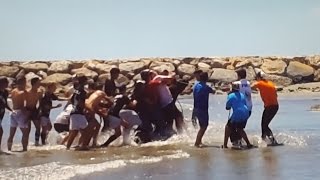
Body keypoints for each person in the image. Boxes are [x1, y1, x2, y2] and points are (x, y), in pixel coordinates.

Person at [252, 71, 279, 145]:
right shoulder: (270, 83)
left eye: (256, 78)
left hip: (270, 106)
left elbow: (250, 87)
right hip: (275, 106)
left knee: (264, 125)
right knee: (264, 124)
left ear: (258, 77)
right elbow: (276, 95)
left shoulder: (260, 83)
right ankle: (264, 139)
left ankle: (273, 141)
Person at [223, 82, 253, 149]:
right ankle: (248, 143)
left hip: (238, 113)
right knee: (240, 129)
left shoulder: (230, 96)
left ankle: (225, 145)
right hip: (246, 112)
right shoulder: (242, 95)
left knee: (228, 127)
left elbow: (227, 107)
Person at [66, 74, 90, 150]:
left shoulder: (76, 91)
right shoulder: (82, 91)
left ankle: (68, 147)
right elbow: (80, 102)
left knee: (74, 132)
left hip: (73, 112)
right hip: (79, 113)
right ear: (84, 82)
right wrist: (86, 109)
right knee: (86, 131)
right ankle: (83, 146)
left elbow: (71, 100)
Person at [230, 68, 253, 145]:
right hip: (249, 109)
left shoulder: (236, 83)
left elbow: (232, 93)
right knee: (239, 127)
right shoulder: (248, 83)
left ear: (239, 75)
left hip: (240, 109)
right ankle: (240, 142)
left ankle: (239, 143)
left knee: (231, 126)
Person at [193, 72, 215, 147]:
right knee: (204, 126)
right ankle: (197, 142)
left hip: (196, 108)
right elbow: (213, 91)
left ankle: (199, 141)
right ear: (206, 79)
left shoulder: (196, 86)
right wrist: (212, 86)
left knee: (201, 125)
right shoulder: (206, 87)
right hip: (203, 109)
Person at [7, 76, 29, 151]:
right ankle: (24, 150)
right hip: (20, 113)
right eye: (25, 82)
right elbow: (24, 105)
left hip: (13, 112)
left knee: (11, 134)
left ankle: (9, 149)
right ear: (23, 83)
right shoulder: (23, 92)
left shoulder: (13, 91)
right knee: (25, 133)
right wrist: (26, 114)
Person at [25, 77, 43, 146]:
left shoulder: (39, 92)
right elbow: (23, 102)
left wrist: (40, 110)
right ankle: (26, 143)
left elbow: (41, 102)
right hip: (27, 110)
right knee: (27, 129)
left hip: (35, 110)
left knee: (38, 127)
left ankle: (36, 142)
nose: (40, 84)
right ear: (34, 83)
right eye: (38, 82)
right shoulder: (27, 92)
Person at [0, 77, 12, 150]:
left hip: (1, 114)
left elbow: (5, 103)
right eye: (6, 82)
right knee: (1, 131)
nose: (7, 84)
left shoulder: (5, 92)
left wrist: (11, 110)